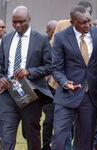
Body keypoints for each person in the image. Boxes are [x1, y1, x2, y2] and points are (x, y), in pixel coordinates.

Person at [0, 6, 53, 150]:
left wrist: (29, 71)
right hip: (8, 93)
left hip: (31, 94)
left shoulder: (41, 39)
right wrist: (1, 78)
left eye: (21, 22)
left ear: (29, 19)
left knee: (31, 133)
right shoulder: (6, 38)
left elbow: (50, 66)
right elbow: (0, 66)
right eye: (14, 22)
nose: (17, 25)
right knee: (6, 134)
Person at [51, 6, 97, 150]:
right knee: (60, 138)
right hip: (67, 94)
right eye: (83, 23)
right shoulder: (61, 37)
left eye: (89, 21)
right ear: (72, 22)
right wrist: (64, 82)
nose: (87, 25)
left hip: (90, 95)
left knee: (86, 139)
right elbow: (56, 68)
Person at [41, 20, 57, 150]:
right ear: (48, 32)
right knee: (49, 120)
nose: (57, 33)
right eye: (54, 31)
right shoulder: (43, 45)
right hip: (48, 89)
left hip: (63, 88)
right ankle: (46, 147)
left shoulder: (64, 43)